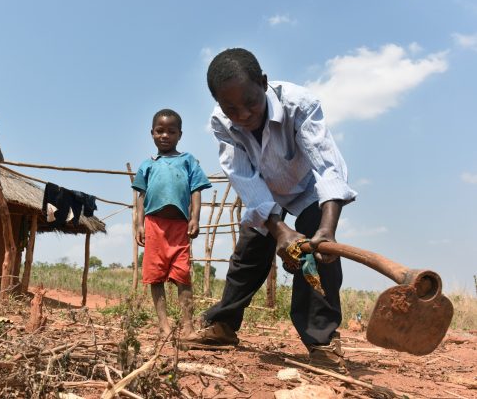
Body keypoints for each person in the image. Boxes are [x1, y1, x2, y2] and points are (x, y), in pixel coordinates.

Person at [190, 48, 357, 373]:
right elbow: (242, 176)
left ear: (264, 83)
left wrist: (326, 230)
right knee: (248, 256)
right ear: (219, 103)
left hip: (309, 188)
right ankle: (223, 326)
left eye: (251, 102)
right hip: (264, 191)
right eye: (231, 107)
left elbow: (327, 168)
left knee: (317, 256)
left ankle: (322, 344)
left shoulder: (300, 104)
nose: (243, 114)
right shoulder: (221, 121)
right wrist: (279, 229)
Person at [132, 109, 212, 339]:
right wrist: (139, 225)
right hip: (154, 225)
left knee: (182, 275)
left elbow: (196, 190)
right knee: (155, 276)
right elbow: (140, 197)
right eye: (160, 131)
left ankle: (188, 327)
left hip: (179, 226)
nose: (165, 135)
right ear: (152, 133)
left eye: (171, 131)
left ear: (180, 135)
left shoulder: (188, 161)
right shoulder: (147, 164)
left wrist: (195, 218)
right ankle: (164, 325)